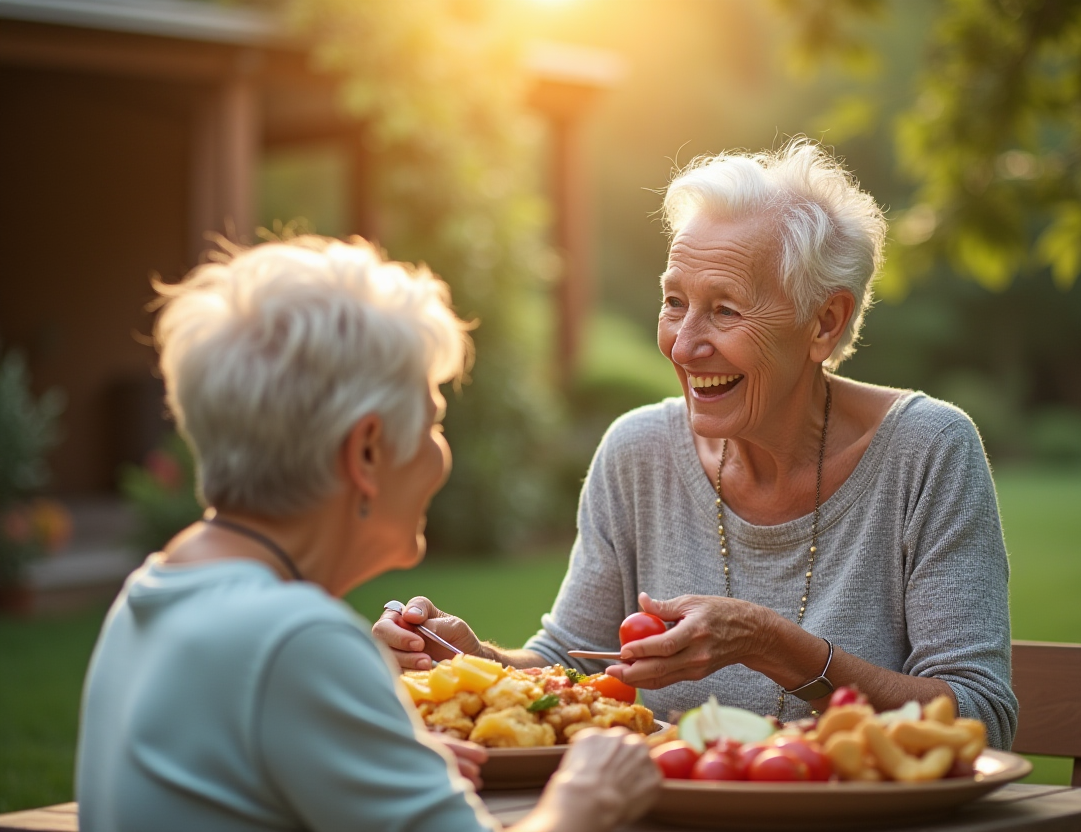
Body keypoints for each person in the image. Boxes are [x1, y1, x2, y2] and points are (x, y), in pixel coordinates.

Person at [375, 138, 1017, 749]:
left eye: (726, 310)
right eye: (674, 302)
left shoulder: (928, 451)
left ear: (825, 322)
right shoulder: (637, 452)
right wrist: (469, 659)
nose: (683, 346)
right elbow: (567, 664)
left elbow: (980, 718)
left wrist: (775, 646)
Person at [75, 237, 659, 832]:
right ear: (368, 450)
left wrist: (395, 758)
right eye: (432, 422)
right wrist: (583, 801)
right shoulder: (295, 641)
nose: (440, 456)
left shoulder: (149, 597)